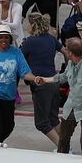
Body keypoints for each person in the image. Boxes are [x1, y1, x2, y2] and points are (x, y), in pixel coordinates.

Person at [21, 13, 64, 146]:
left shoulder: (29, 42)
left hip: (40, 84)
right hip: (54, 82)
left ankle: (62, 147)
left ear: (33, 25)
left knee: (42, 122)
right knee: (53, 118)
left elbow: (19, 59)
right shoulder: (51, 39)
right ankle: (65, 144)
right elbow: (66, 52)